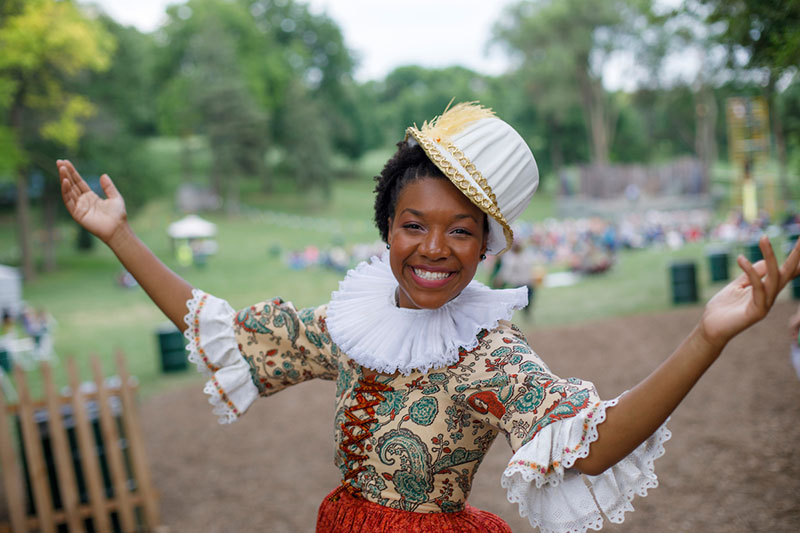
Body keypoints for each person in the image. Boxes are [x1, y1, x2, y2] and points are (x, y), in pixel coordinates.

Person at [56, 102, 800, 533]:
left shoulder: (494, 356)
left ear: (486, 249)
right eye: (415, 223)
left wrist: (707, 336)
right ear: (387, 228)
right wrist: (119, 233)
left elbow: (593, 446)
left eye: (462, 230)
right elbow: (226, 332)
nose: (435, 248)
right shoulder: (346, 323)